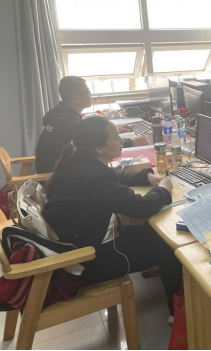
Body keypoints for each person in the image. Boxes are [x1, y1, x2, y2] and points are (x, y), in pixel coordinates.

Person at [43, 116, 181, 322]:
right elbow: (141, 208)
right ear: (99, 148)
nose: (122, 141)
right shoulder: (94, 176)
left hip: (82, 243)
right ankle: (177, 314)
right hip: (91, 260)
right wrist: (163, 189)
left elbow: (112, 177)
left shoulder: (79, 161)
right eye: (116, 138)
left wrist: (145, 176)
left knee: (156, 235)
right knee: (170, 247)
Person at [35, 76, 149, 174]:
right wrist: (131, 142)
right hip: (56, 178)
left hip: (63, 170)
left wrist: (110, 130)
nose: (91, 95)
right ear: (76, 98)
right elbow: (97, 145)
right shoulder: (67, 123)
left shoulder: (61, 114)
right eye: (88, 93)